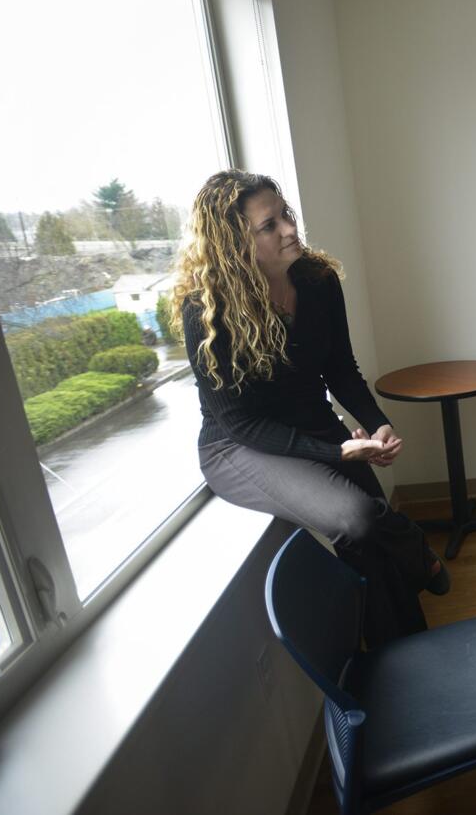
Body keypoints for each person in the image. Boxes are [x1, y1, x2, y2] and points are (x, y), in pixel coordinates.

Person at [171, 170, 447, 646]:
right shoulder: (207, 310)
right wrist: (338, 452)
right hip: (237, 447)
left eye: (286, 215)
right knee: (356, 518)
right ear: (233, 243)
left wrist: (376, 424)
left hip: (312, 424)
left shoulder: (318, 282)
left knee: (371, 539)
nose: (289, 230)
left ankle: (407, 653)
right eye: (269, 225)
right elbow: (240, 423)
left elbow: (341, 369)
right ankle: (415, 552)